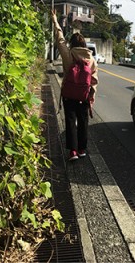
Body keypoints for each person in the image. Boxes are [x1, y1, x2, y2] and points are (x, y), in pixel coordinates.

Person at [52, 10, 99, 160]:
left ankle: (72, 151)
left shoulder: (68, 55)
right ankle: (82, 149)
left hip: (69, 94)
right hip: (83, 95)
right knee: (83, 121)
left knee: (70, 120)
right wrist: (91, 97)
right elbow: (94, 80)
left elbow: (60, 40)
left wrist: (55, 20)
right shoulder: (91, 59)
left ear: (72, 44)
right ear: (84, 44)